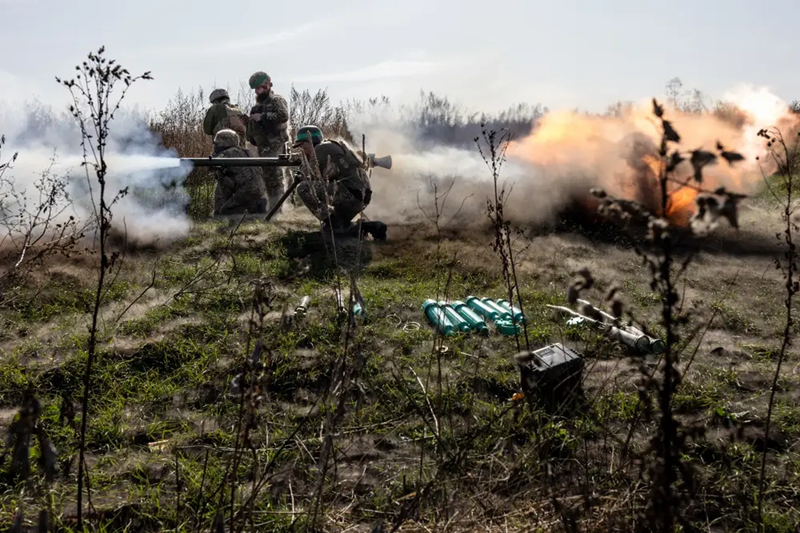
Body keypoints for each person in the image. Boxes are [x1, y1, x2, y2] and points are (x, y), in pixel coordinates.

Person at [292, 125, 387, 241]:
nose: (302, 150)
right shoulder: (332, 145)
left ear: (311, 142)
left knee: (303, 188)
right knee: (342, 228)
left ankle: (334, 226)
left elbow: (308, 176)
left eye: (303, 146)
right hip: (360, 195)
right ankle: (374, 227)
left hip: (350, 194)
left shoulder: (320, 149)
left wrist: (302, 165)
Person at [246, 71, 291, 214]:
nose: (257, 91)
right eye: (255, 89)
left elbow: (283, 115)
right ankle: (272, 209)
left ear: (267, 85)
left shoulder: (276, 100)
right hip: (263, 146)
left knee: (276, 178)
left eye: (259, 88)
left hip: (276, 145)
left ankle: (277, 211)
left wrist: (263, 116)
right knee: (268, 178)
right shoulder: (258, 106)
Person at [211, 129, 267, 218]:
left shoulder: (227, 153)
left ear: (223, 142)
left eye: (217, 143)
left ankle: (235, 223)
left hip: (247, 192)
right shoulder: (245, 152)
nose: (215, 145)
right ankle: (256, 213)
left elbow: (211, 167)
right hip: (259, 190)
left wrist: (214, 156)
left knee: (224, 212)